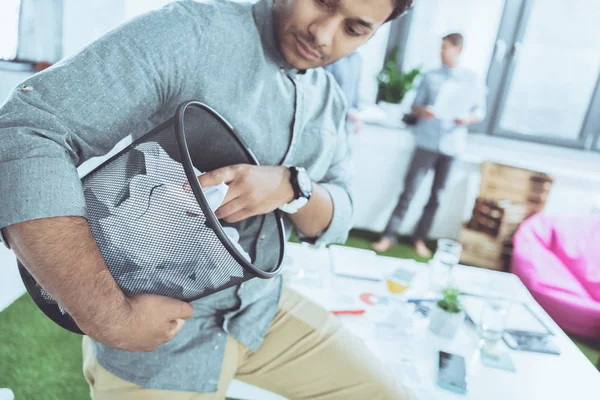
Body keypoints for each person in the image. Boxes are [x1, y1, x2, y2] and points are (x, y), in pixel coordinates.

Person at [0, 0, 415, 399]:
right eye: (323, 1)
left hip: (260, 311)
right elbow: (26, 132)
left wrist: (291, 185)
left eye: (355, 28)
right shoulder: (189, 33)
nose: (323, 34)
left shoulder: (330, 100)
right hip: (158, 333)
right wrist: (111, 318)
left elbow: (340, 212)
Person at [372, 33, 486, 257]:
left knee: (437, 196)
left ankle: (419, 239)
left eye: (446, 48)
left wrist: (466, 119)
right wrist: (424, 111)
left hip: (452, 146)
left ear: (458, 49)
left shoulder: (471, 79)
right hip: (426, 141)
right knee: (409, 191)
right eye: (440, 48)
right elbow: (414, 106)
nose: (441, 53)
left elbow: (479, 111)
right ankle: (389, 235)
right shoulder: (430, 76)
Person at [325, 51, 363, 135]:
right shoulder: (334, 56)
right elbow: (324, 90)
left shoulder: (357, 58)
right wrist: (346, 111)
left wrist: (356, 112)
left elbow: (355, 88)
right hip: (328, 119)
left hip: (345, 122)